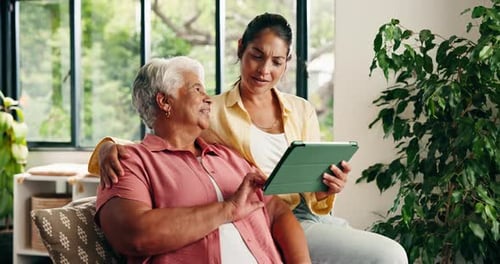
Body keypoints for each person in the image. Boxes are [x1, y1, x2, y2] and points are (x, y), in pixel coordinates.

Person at [91, 13, 408, 264]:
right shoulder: (210, 113)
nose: (265, 70)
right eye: (257, 55)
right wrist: (108, 146)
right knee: (387, 255)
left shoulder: (298, 112)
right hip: (260, 216)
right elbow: (160, 133)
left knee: (386, 254)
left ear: (286, 64)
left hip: (296, 214)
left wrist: (327, 186)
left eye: (277, 62)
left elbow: (297, 202)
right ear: (241, 48)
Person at [94, 56, 311, 263]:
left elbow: (276, 210)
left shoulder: (228, 157)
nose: (208, 98)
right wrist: (227, 209)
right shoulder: (128, 162)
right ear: (164, 102)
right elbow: (134, 235)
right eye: (197, 89)